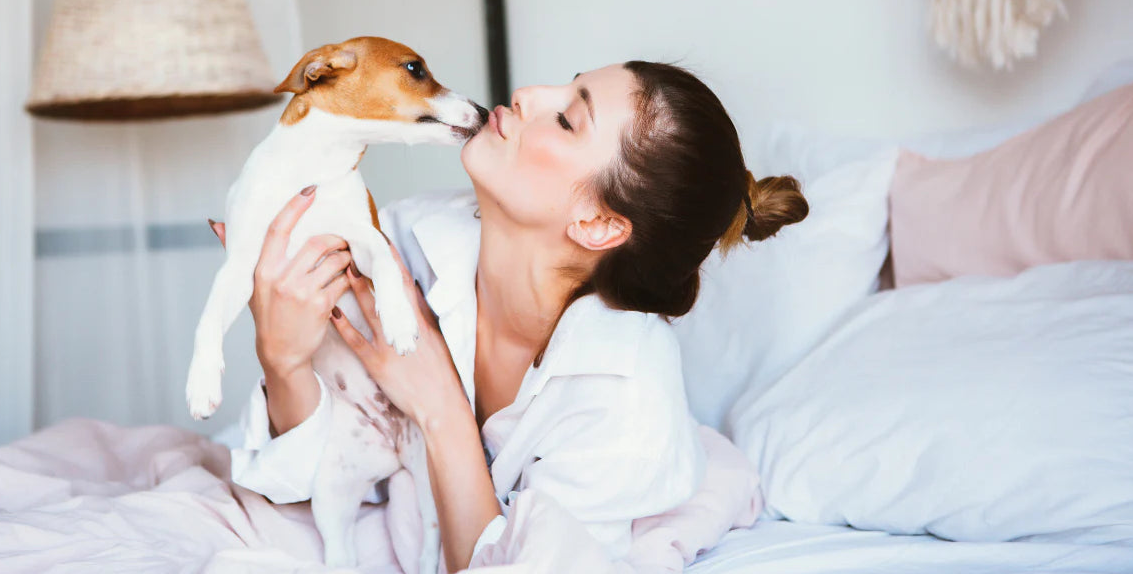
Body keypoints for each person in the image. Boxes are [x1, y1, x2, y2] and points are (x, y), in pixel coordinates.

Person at [209, 61, 808, 572]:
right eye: (565, 85)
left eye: (569, 118)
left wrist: (440, 405)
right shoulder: (405, 239)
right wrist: (282, 358)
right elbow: (303, 479)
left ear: (599, 224)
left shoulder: (623, 401)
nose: (528, 95)